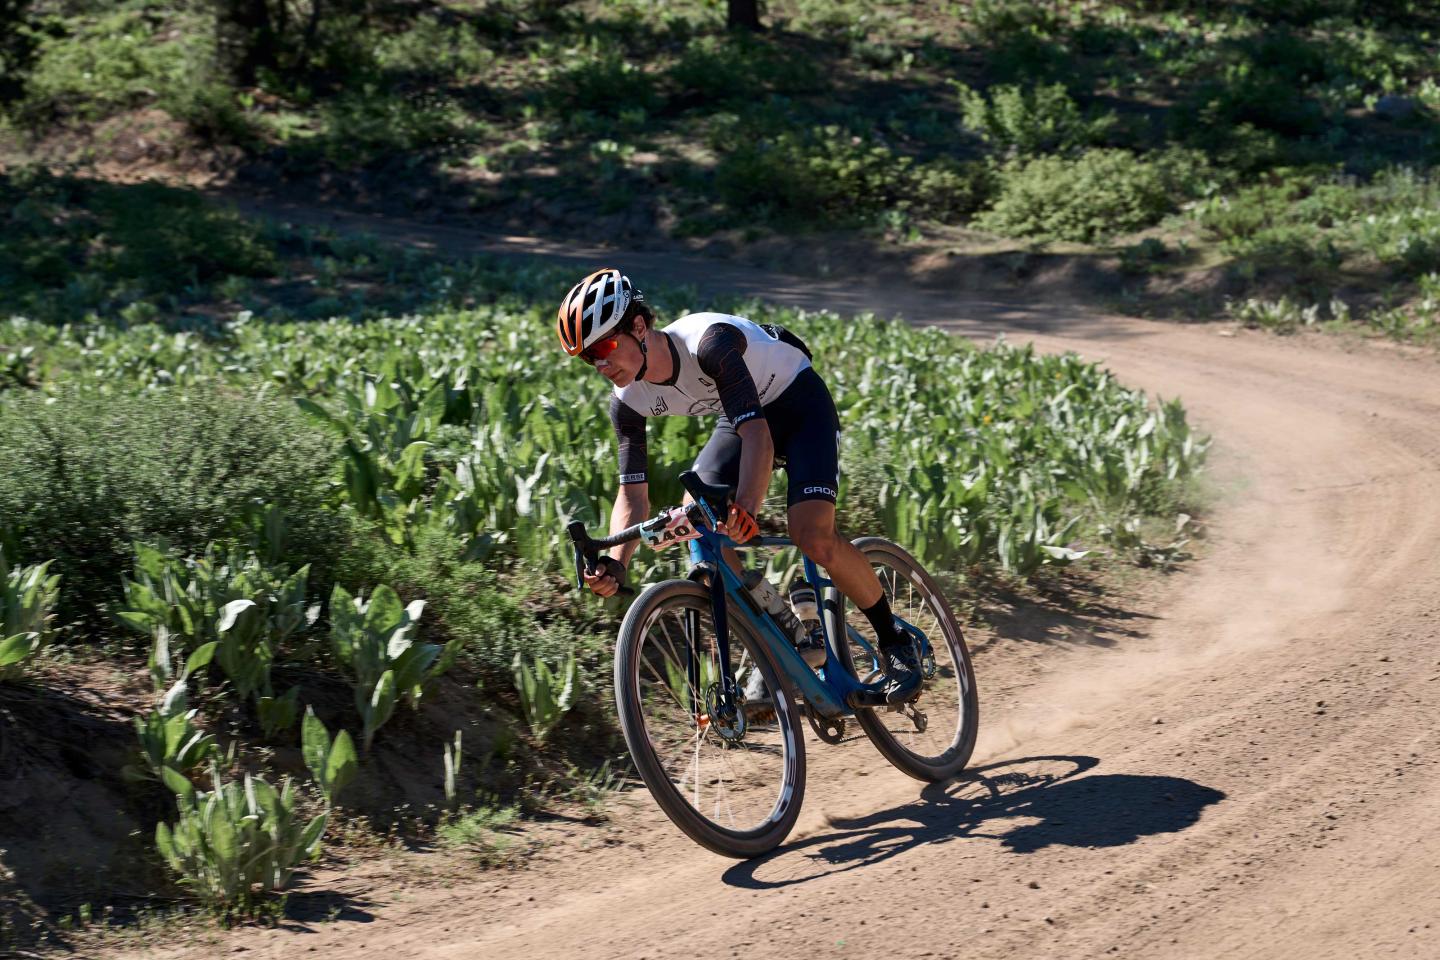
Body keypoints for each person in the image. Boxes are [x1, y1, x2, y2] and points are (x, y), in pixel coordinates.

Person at [556, 267, 920, 704]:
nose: (599, 363)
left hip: (799, 405)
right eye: (586, 357)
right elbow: (633, 494)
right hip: (742, 416)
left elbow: (759, 437)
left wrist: (746, 508)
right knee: (700, 528)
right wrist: (617, 562)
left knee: (811, 535)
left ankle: (895, 639)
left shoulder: (710, 344)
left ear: (639, 326)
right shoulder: (627, 403)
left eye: (604, 346)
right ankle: (786, 632)